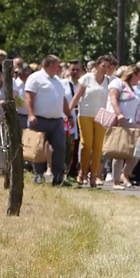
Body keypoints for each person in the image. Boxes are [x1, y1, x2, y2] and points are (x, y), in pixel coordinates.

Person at [74, 55, 120, 188]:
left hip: (102, 115)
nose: (105, 69)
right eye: (103, 66)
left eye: (108, 67)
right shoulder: (87, 78)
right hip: (85, 113)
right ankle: (82, 171)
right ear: (97, 65)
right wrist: (68, 112)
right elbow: (77, 96)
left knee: (98, 146)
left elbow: (114, 97)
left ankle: (94, 175)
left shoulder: (110, 80)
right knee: (87, 144)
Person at [24, 55, 71, 185]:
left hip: (57, 121)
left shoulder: (57, 80)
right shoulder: (35, 78)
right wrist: (31, 115)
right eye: (57, 65)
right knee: (38, 148)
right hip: (39, 120)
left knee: (60, 147)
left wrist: (69, 115)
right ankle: (38, 175)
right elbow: (28, 97)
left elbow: (62, 99)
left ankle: (58, 177)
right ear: (50, 65)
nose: (59, 68)